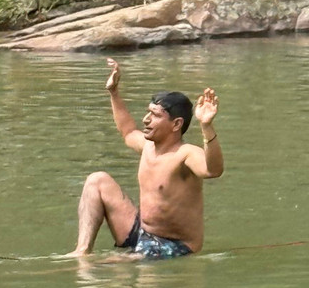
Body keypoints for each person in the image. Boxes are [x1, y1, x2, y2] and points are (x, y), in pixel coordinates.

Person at [67, 58, 223, 259]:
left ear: (176, 124)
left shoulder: (185, 154)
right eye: (148, 112)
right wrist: (114, 93)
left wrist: (206, 126)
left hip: (174, 245)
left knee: (107, 263)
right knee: (97, 180)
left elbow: (213, 170)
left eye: (154, 115)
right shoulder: (148, 145)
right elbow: (128, 131)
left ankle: (102, 263)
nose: (146, 120)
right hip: (141, 231)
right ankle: (82, 250)